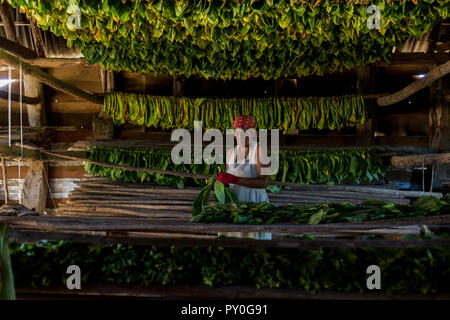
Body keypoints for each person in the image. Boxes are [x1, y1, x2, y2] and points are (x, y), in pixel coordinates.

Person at [216, 115, 272, 240]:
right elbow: (228, 179)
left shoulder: (259, 150)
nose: (241, 136)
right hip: (233, 206)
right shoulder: (230, 152)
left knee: (253, 241)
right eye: (238, 133)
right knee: (231, 241)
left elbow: (264, 182)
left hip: (254, 203)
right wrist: (221, 182)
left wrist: (235, 180)